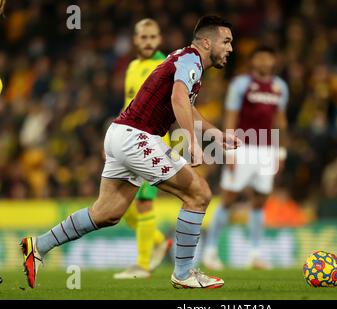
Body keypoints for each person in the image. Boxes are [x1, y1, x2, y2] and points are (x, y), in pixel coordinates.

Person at [21, 15, 239, 289]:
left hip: (120, 134)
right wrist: (193, 144)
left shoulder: (184, 60)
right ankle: (184, 273)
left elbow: (184, 106)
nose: (231, 48)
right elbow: (178, 98)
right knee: (199, 193)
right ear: (207, 42)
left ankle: (38, 246)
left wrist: (215, 134)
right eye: (227, 41)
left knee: (107, 213)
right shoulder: (191, 60)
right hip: (138, 136)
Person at [202, 46, 289, 270]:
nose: (263, 60)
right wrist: (229, 151)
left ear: (273, 60)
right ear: (253, 61)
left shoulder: (280, 87)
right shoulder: (241, 84)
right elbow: (231, 117)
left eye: (267, 56)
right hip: (243, 146)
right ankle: (210, 251)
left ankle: (255, 254)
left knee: (260, 201)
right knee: (229, 198)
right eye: (259, 57)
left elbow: (280, 121)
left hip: (267, 150)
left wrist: (280, 152)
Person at [113, 18, 173, 280]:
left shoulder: (166, 66)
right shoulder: (132, 67)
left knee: (145, 203)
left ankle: (142, 265)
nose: (148, 42)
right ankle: (158, 241)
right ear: (135, 40)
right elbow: (128, 105)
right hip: (127, 143)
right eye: (143, 37)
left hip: (153, 143)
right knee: (120, 209)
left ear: (159, 39)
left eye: (152, 37)